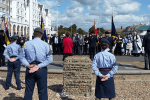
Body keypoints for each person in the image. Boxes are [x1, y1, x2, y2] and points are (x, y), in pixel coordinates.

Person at [19, 27, 53, 100]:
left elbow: (21, 57)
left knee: (28, 91)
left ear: (33, 34)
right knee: (42, 91)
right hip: (41, 68)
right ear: (41, 35)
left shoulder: (26, 44)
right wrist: (38, 66)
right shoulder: (46, 45)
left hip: (30, 67)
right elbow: (50, 59)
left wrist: (28, 65)